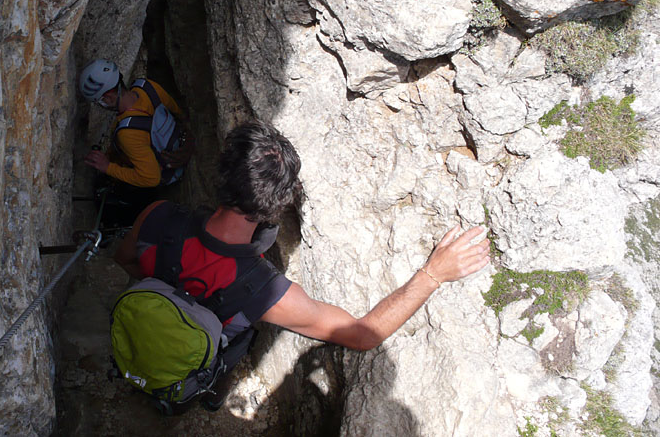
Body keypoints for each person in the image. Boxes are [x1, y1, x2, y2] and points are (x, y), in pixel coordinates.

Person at [114, 120, 490, 409]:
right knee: (227, 355)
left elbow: (125, 259)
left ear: (221, 174)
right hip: (199, 361)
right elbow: (363, 335)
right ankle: (208, 398)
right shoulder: (265, 293)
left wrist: (170, 296)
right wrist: (432, 275)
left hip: (141, 327)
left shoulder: (157, 217)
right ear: (277, 207)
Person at [78, 59, 193, 225]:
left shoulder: (129, 134)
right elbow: (177, 112)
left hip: (163, 174)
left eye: (99, 102)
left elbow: (150, 178)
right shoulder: (147, 87)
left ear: (108, 98)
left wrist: (107, 167)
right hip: (171, 151)